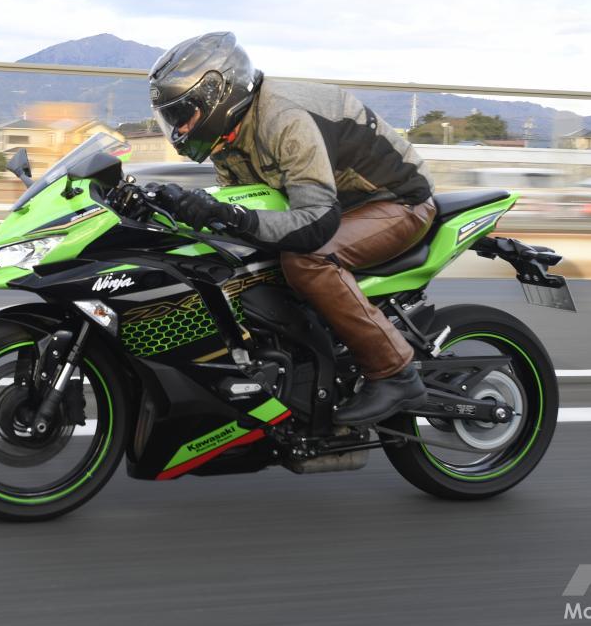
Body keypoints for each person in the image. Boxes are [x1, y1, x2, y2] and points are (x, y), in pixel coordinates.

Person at [146, 31, 437, 425]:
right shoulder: (229, 136)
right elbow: (247, 207)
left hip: (395, 200)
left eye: (184, 113)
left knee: (308, 260)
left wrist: (229, 215)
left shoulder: (283, 119)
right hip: (340, 205)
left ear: (217, 94)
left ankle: (395, 373)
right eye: (172, 118)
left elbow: (316, 223)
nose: (180, 128)